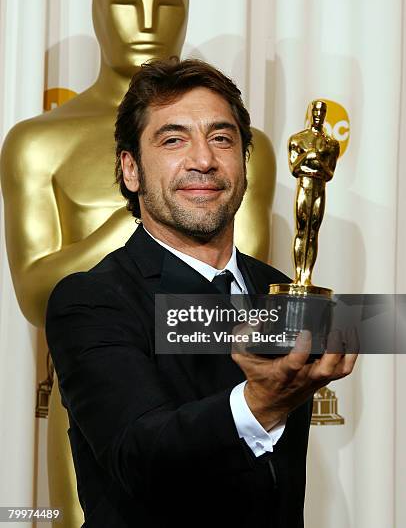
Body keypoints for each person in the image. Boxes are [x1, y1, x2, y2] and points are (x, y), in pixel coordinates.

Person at [46, 58, 357, 527]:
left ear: (243, 163)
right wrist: (260, 403)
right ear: (130, 170)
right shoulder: (91, 300)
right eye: (173, 139)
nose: (204, 160)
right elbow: (140, 454)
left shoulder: (279, 289)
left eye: (221, 138)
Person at [288, 100, 340, 286]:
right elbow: (294, 168)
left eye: (322, 111)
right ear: (311, 112)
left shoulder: (330, 144)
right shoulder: (298, 139)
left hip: (319, 189)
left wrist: (317, 163)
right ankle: (298, 276)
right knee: (302, 230)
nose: (319, 114)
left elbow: (330, 173)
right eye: (316, 110)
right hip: (304, 185)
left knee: (313, 233)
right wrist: (308, 157)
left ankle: (307, 276)